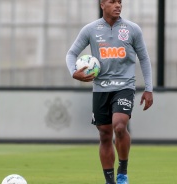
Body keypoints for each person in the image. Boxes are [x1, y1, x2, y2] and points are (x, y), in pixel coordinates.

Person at [65, 0, 153, 184]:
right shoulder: (90, 29)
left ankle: (122, 170)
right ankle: (109, 181)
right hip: (100, 89)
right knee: (105, 134)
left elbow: (144, 58)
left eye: (120, 2)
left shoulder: (132, 29)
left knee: (120, 126)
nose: (118, 5)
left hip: (124, 86)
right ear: (102, 4)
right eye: (112, 2)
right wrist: (74, 72)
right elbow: (71, 53)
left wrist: (148, 89)